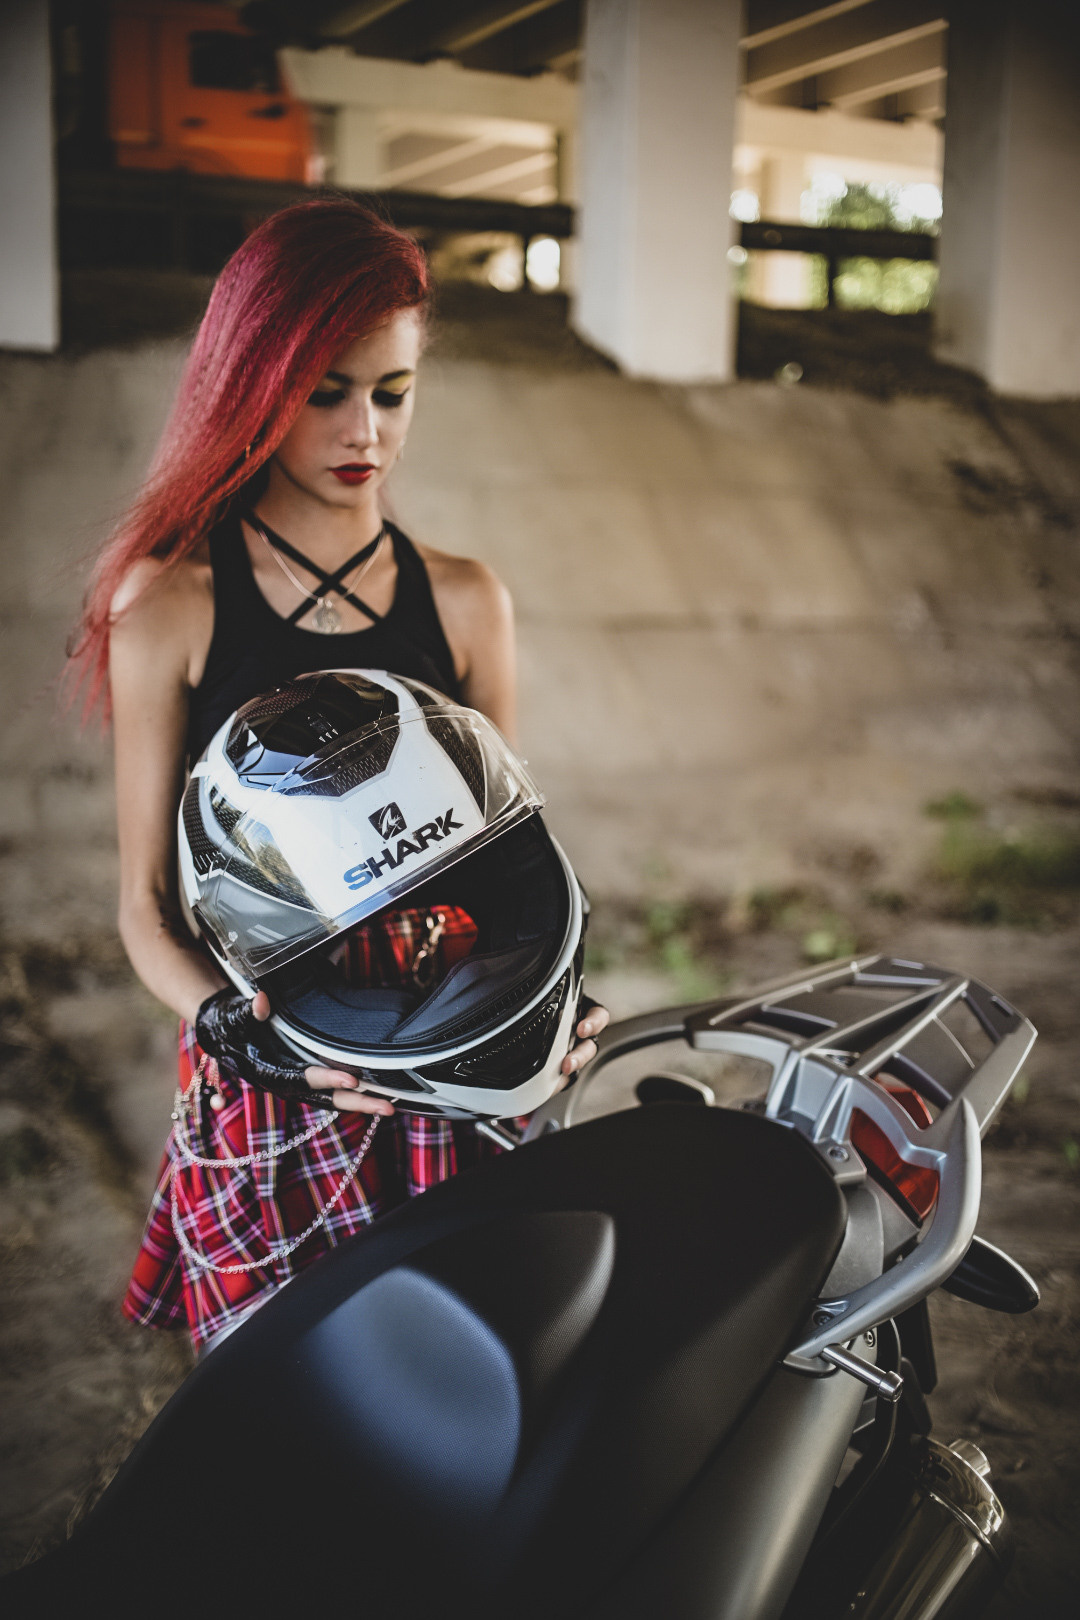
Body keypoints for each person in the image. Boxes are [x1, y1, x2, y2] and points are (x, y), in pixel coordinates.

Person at [68, 198, 608, 1354]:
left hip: (455, 1064)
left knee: (481, 1388)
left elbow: (511, 861)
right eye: (326, 391)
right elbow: (146, 909)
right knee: (277, 1413)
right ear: (254, 385)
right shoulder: (171, 602)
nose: (366, 428)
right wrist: (235, 1029)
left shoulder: (467, 600)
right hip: (275, 1082)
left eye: (393, 392)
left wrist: (556, 989)